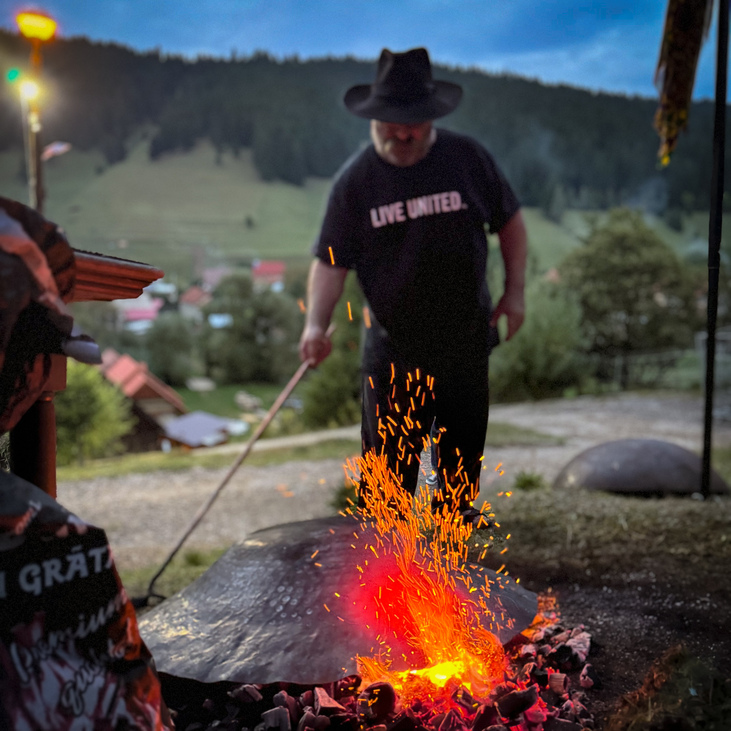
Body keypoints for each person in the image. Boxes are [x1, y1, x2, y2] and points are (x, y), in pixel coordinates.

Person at [299, 48, 527, 523]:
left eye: (415, 124)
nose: (403, 133)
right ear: (373, 119)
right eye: (392, 124)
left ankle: (453, 555)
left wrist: (515, 292)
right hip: (393, 350)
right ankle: (388, 569)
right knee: (386, 489)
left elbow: (511, 223)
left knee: (460, 473)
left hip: (465, 340)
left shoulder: (466, 159)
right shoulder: (355, 183)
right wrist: (315, 325)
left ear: (432, 118)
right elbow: (330, 262)